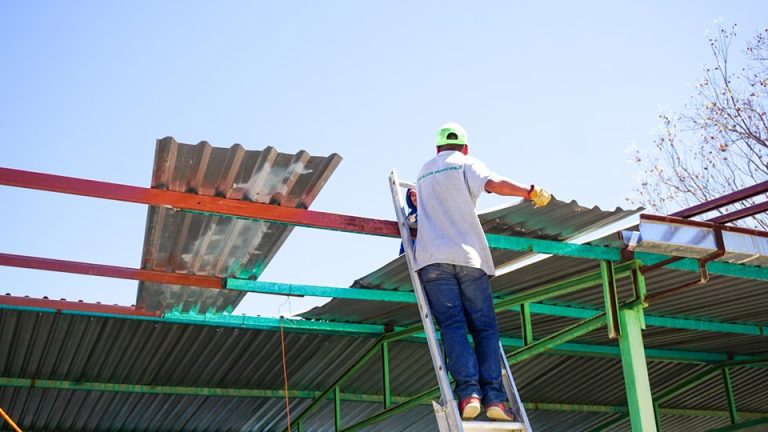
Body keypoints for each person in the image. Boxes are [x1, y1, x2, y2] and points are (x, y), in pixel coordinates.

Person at [413, 122, 551, 421]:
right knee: (484, 328)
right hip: (468, 258)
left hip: (433, 261)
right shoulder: (467, 163)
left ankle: (468, 395)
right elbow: (493, 183)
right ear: (465, 147)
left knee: (452, 326)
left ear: (437, 149)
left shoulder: (424, 171)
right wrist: (528, 192)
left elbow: (420, 203)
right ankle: (494, 400)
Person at [399, 188, 417, 255]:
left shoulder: (429, 210)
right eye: (412, 195)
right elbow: (405, 237)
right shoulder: (410, 216)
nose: (414, 198)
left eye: (416, 194)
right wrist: (401, 255)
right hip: (412, 254)